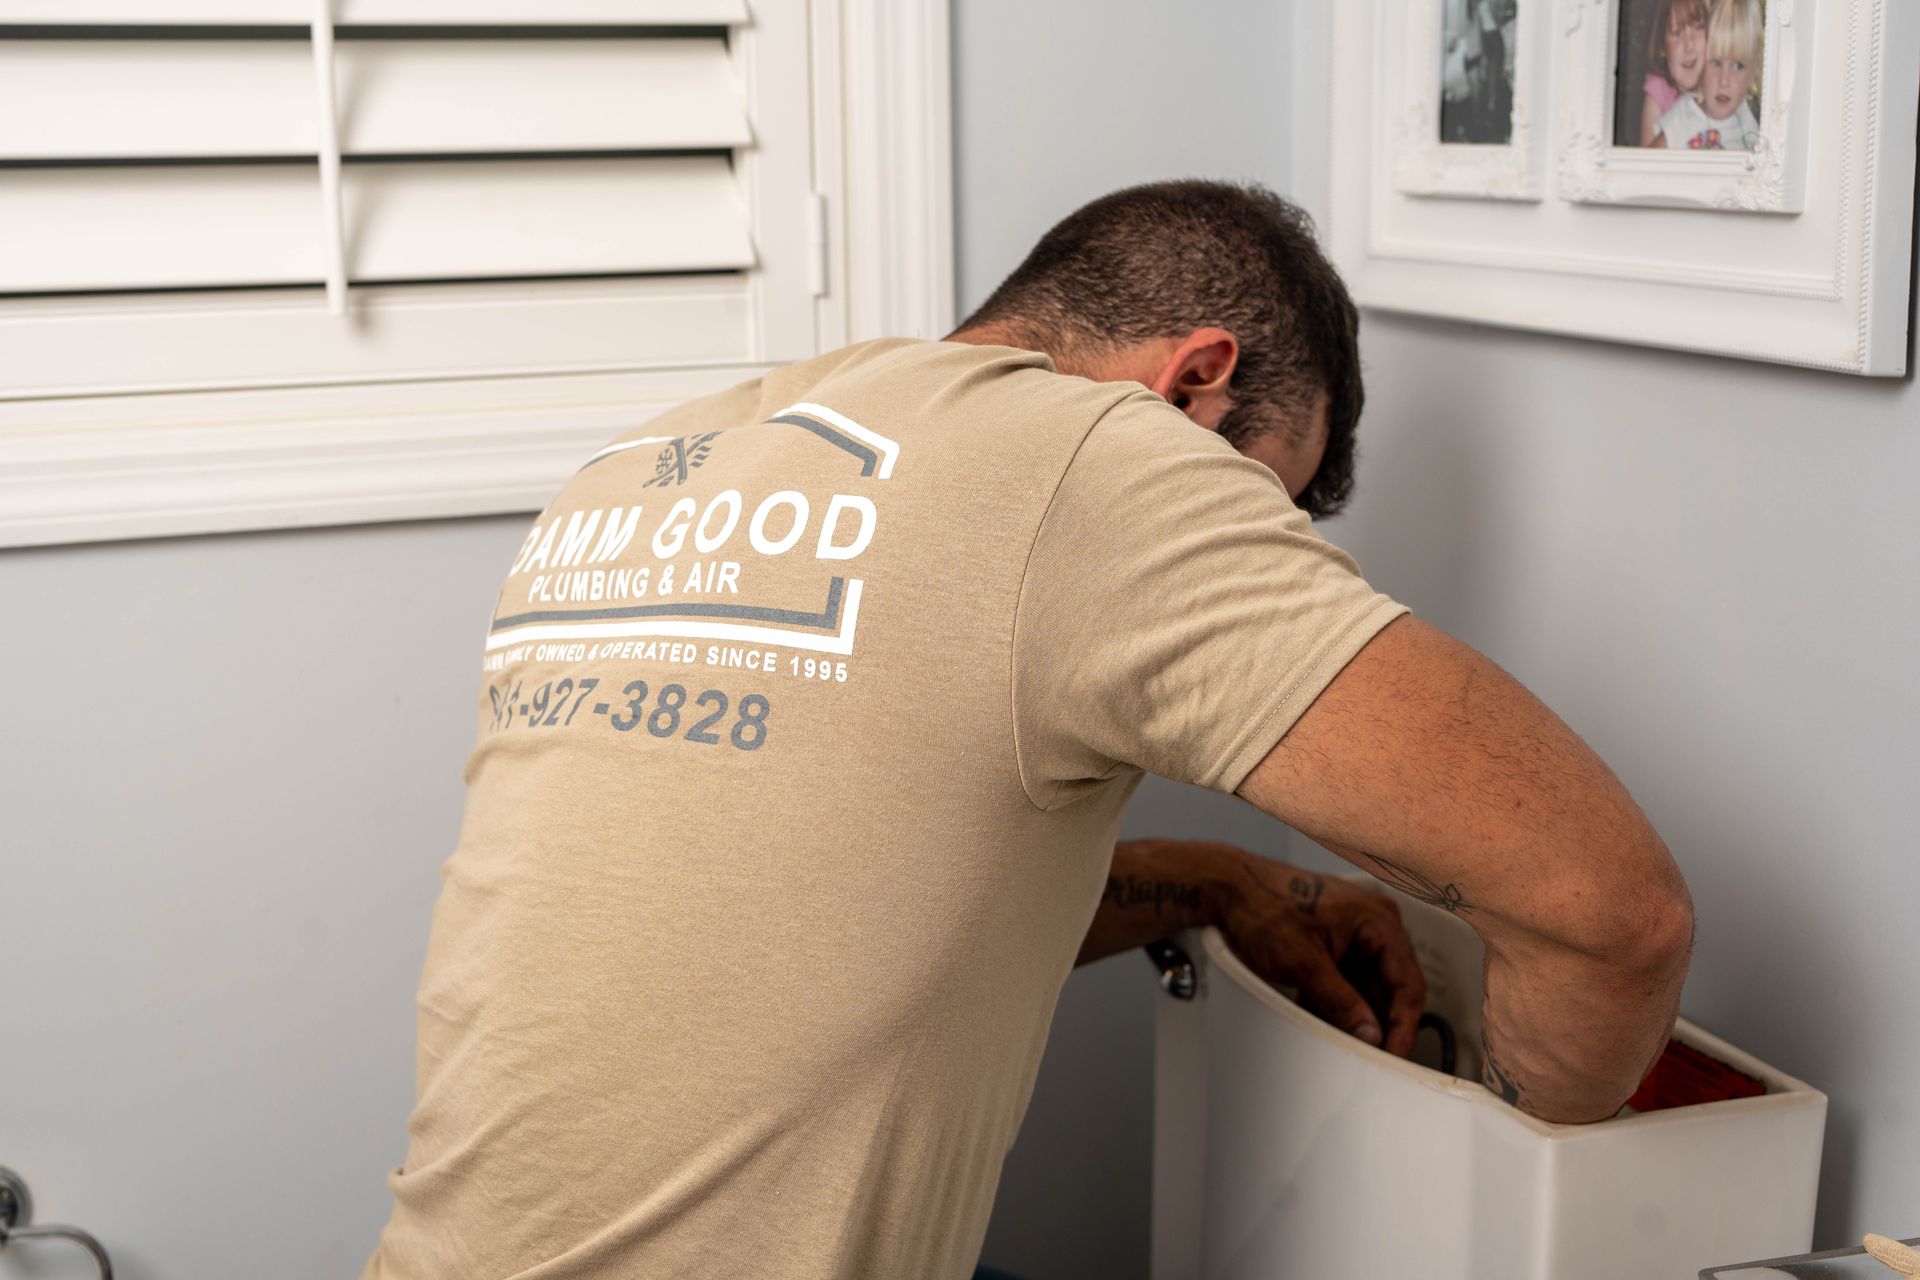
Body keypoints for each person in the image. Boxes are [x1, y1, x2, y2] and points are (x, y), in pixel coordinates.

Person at [360, 180, 1693, 1280]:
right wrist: (1551, 1167)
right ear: (1194, 389)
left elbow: (815, 905)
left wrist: (1220, 884)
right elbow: (1609, 912)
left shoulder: (641, 473)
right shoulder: (1096, 458)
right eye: (1262, 503)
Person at [1654, 0, 1762, 151]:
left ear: (1752, 73)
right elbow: (1641, 169)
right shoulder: (1680, 121)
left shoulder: (1749, 124)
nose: (1724, 81)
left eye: (1738, 66)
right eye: (1716, 63)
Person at [1637, 0, 1711, 147]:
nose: (1689, 45)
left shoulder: (1720, 85)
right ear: (1662, 47)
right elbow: (1645, 162)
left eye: (1698, 28)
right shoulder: (1658, 92)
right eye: (1677, 33)